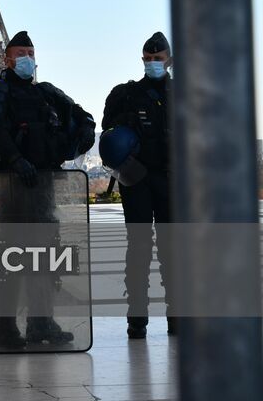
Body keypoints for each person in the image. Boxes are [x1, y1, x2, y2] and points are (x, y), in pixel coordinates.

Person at [0, 29, 96, 348]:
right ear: (6, 59)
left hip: (44, 185)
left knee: (47, 256)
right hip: (15, 189)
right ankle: (5, 328)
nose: (26, 60)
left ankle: (41, 322)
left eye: (30, 54)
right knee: (13, 258)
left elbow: (81, 114)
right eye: (20, 55)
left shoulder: (46, 92)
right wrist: (17, 160)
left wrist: (85, 132)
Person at [101, 30, 174, 339]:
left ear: (168, 60)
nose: (152, 64)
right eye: (147, 59)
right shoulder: (125, 95)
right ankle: (137, 316)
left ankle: (178, 315)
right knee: (139, 249)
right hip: (138, 180)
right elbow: (108, 136)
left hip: (170, 178)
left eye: (157, 59)